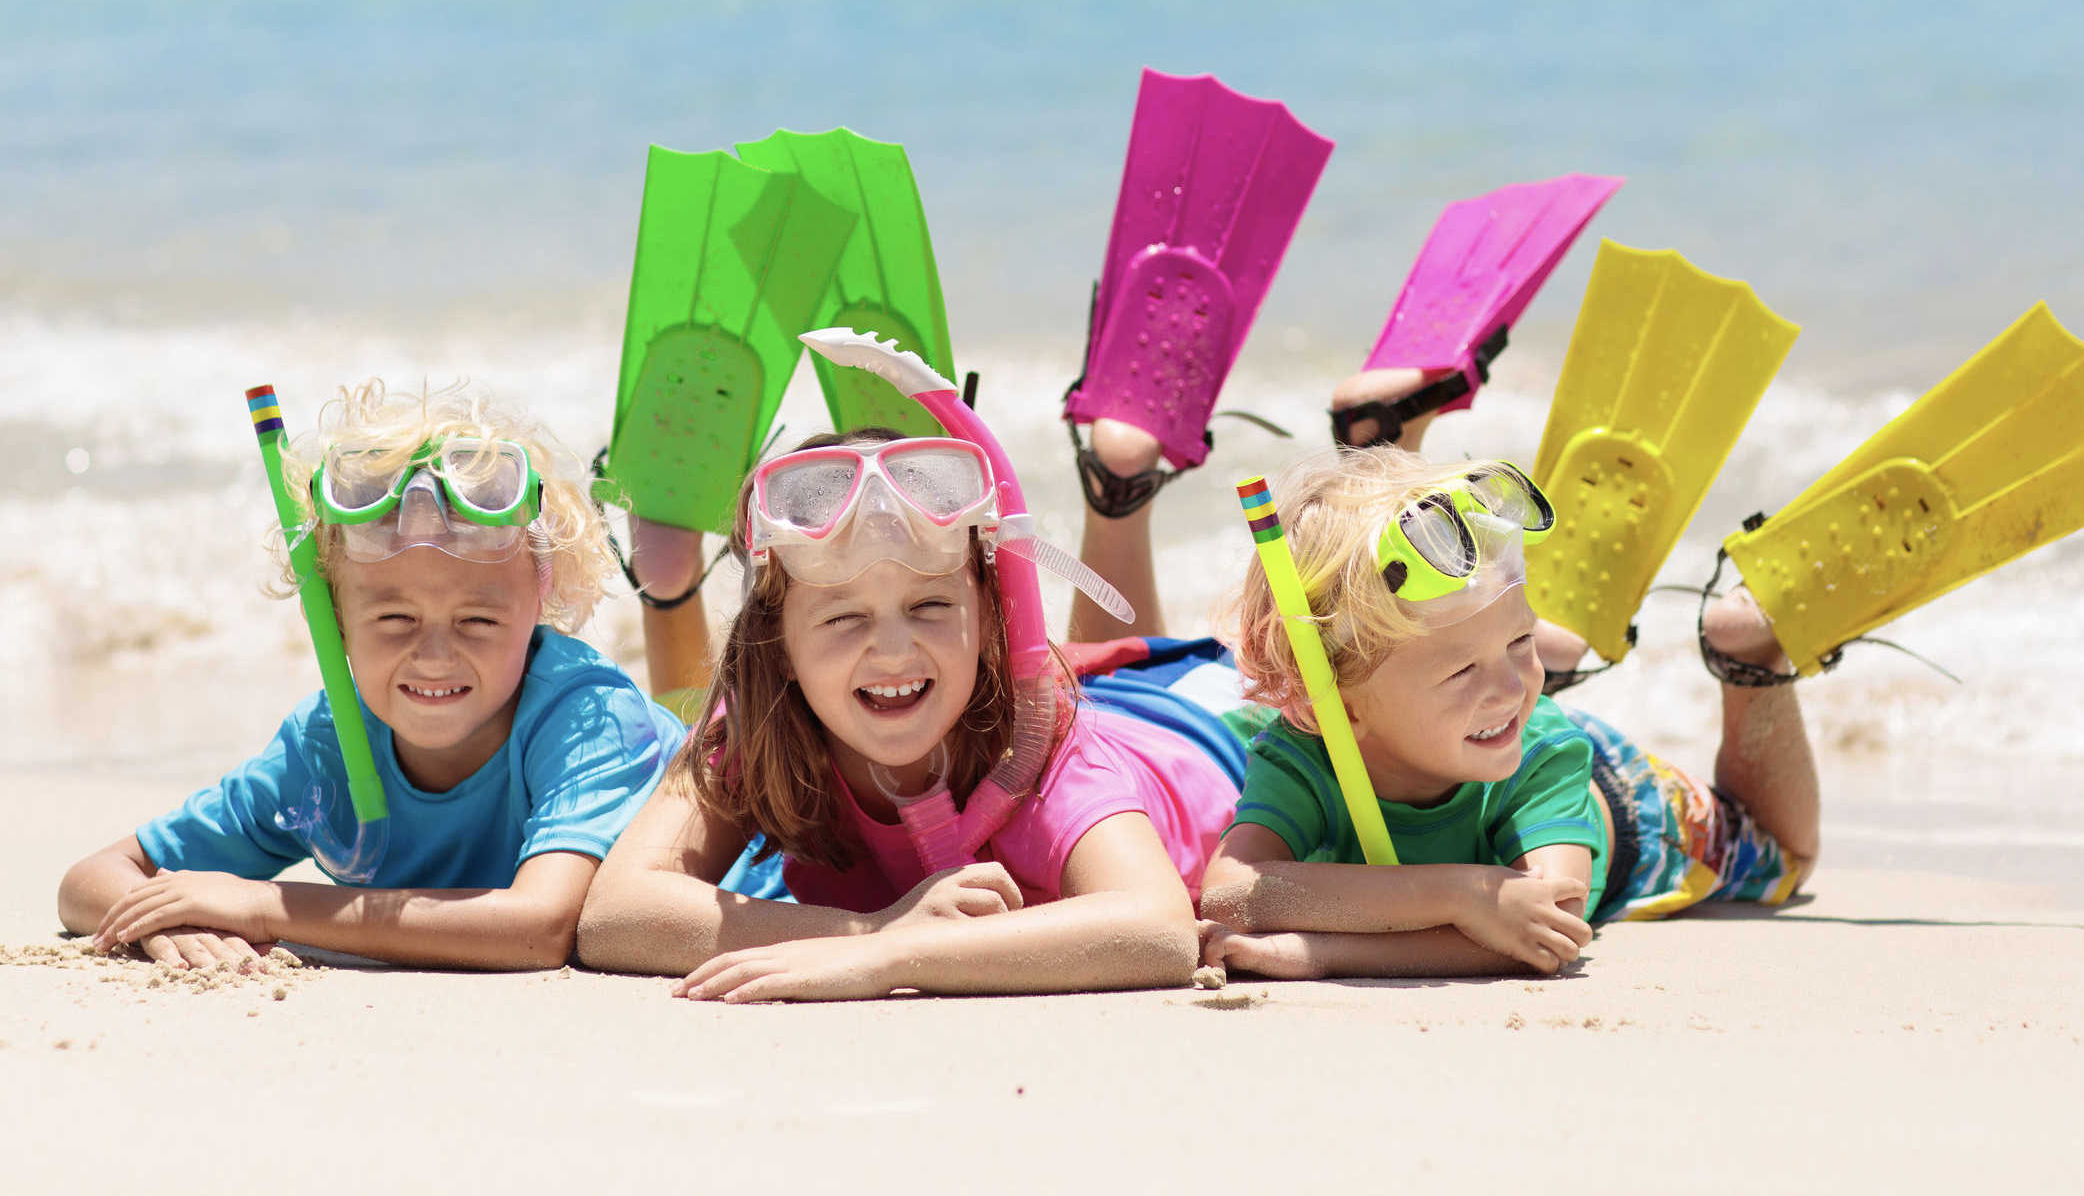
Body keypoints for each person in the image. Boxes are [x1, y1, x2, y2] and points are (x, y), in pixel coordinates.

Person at [576, 406, 1252, 1002]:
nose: (894, 651)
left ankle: (1119, 489)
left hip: (1201, 721)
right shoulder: (759, 724)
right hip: (1061, 689)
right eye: (844, 618)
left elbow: (1157, 926)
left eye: (930, 605)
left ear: (992, 614)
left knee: (1124, 664)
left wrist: (892, 954)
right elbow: (617, 910)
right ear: (777, 643)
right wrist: (872, 925)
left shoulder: (1041, 746)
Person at [57, 380, 682, 971]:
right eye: (395, 617)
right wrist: (165, 917)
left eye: (479, 621)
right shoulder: (325, 743)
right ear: (333, 615)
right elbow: (92, 879)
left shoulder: (587, 716)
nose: (435, 655)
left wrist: (265, 905)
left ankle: (675, 571)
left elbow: (541, 928)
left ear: (541, 602)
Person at [1197, 444, 1818, 981]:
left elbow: (1546, 931)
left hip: (1631, 807)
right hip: (1489, 744)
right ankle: (1559, 646)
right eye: (1460, 669)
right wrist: (1463, 895)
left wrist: (1321, 952)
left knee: (1786, 857)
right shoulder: (1305, 753)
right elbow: (1230, 894)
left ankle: (1752, 659)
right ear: (1332, 704)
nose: (1510, 685)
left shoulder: (1543, 747)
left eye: (1522, 641)